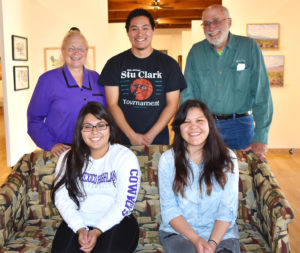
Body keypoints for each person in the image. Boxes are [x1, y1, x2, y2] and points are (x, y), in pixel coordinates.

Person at [181, 5, 273, 162]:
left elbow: (262, 94)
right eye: (206, 23)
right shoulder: (196, 52)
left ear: (229, 22)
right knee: (206, 176)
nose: (211, 27)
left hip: (241, 127)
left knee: (242, 178)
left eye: (216, 21)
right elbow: (187, 95)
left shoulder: (249, 47)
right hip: (206, 127)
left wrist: (261, 136)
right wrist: (187, 129)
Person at [51, 101, 140, 253]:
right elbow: (61, 198)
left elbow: (125, 202)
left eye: (100, 125)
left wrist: (98, 230)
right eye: (87, 126)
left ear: (110, 128)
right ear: (80, 131)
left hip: (117, 222)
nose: (94, 132)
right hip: (78, 222)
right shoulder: (68, 158)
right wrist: (79, 228)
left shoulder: (125, 157)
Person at [158, 99, 240, 253]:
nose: (193, 126)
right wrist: (196, 240)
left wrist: (213, 244)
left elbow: (227, 208)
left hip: (222, 236)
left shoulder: (228, 158)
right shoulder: (168, 160)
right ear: (178, 128)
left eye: (199, 120)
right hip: (180, 234)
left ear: (209, 124)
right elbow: (169, 209)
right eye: (186, 122)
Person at [98, 8, 186, 145]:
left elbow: (172, 104)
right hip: (122, 140)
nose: (140, 33)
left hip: (158, 140)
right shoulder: (114, 64)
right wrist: (132, 136)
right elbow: (112, 104)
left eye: (145, 28)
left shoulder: (169, 64)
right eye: (134, 29)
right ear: (127, 32)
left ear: (153, 30)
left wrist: (150, 136)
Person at [27, 27, 105, 158]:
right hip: (62, 152)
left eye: (80, 48)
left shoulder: (96, 77)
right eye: (71, 48)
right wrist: (50, 144)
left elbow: (106, 114)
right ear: (63, 52)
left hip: (94, 149)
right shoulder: (47, 80)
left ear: (86, 52)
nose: (76, 52)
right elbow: (34, 119)